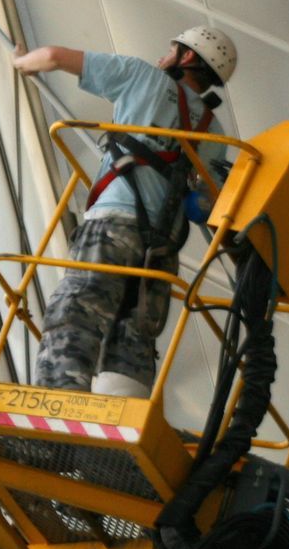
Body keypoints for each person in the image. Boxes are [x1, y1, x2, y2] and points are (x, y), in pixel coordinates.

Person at [12, 26, 238, 396]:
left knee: (79, 308)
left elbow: (54, 57)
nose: (162, 57)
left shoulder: (142, 76)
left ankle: (59, 400)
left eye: (172, 49)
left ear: (189, 58)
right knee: (133, 337)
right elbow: (205, 206)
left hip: (114, 222)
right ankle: (121, 421)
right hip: (161, 250)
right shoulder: (213, 129)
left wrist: (21, 61)